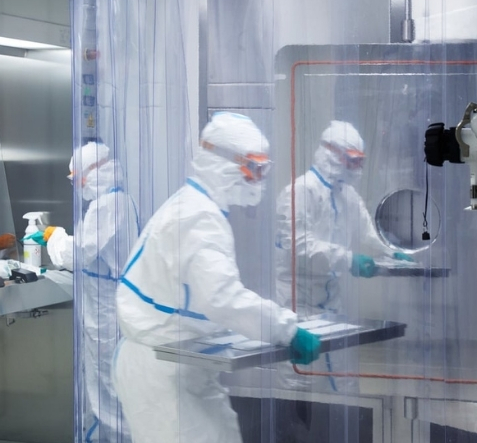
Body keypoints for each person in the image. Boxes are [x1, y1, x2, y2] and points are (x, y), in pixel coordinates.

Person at [112, 112, 322, 443]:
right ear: (221, 163)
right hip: (162, 369)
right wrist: (286, 330)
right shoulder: (198, 218)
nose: (260, 180)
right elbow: (222, 298)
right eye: (254, 168)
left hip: (181, 364)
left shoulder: (196, 207)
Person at [274, 120, 411, 392]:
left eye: (360, 161)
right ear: (331, 155)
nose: (357, 169)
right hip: (296, 303)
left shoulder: (347, 195)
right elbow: (300, 247)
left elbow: (368, 232)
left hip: (331, 303)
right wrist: (349, 260)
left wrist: (392, 252)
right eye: (352, 161)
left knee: (342, 381)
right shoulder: (299, 192)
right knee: (299, 382)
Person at [27, 142, 138, 442]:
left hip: (106, 314)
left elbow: (78, 254)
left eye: (77, 179)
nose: (77, 186)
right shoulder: (115, 202)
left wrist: (55, 236)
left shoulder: (108, 206)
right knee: (102, 387)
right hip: (105, 307)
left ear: (93, 174)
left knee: (107, 390)